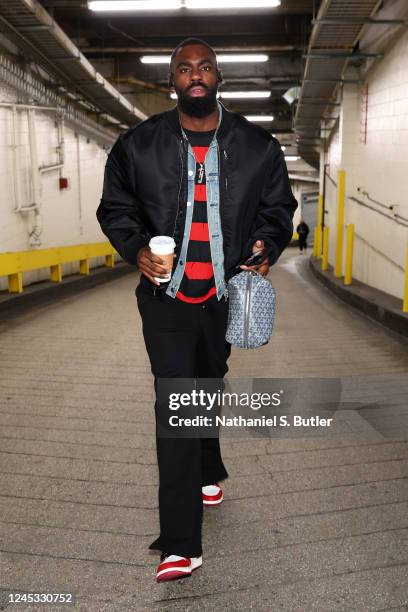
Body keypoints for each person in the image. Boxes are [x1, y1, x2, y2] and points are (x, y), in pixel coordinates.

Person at [96, 37, 298, 582]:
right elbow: (115, 206)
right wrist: (135, 246)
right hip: (165, 299)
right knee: (178, 402)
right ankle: (180, 545)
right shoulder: (137, 145)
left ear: (219, 79)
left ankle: (209, 466)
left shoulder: (258, 146)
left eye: (205, 66)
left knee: (209, 379)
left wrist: (264, 248)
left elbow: (279, 209)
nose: (195, 74)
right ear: (172, 82)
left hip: (223, 296)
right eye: (184, 68)